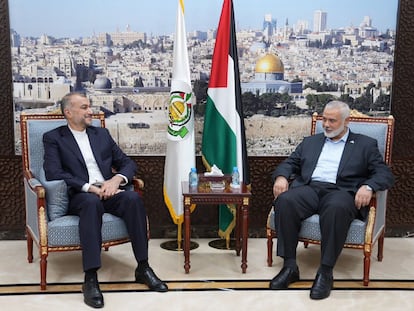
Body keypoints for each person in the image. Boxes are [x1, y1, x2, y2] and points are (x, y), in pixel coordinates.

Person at [43, 92, 168, 308]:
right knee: (91, 203)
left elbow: (127, 163)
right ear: (68, 112)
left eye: (89, 106)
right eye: (83, 107)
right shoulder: (54, 138)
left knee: (133, 199)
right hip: (80, 195)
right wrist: (89, 187)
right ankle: (90, 278)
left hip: (108, 191)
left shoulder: (101, 134)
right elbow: (53, 172)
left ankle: (143, 267)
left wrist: (116, 180)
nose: (90, 111)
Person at [269, 101, 394, 299]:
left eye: (332, 121)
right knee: (285, 201)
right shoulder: (311, 142)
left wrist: (368, 186)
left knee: (336, 208)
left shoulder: (365, 144)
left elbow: (384, 174)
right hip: (310, 188)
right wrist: (282, 177)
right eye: (324, 119)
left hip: (342, 191)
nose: (326, 124)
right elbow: (290, 163)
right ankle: (290, 266)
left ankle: (325, 272)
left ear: (346, 121)